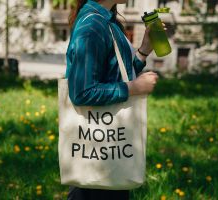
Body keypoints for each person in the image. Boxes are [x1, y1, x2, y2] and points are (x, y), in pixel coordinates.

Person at [65, 0, 158, 199]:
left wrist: (142, 52)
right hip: (98, 155)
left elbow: (115, 74)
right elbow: (82, 92)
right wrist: (134, 88)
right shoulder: (92, 26)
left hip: (107, 152)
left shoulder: (107, 21)